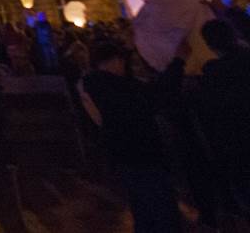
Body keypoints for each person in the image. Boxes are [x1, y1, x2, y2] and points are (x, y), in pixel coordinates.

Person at [82, 40, 186, 233]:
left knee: (142, 206)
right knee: (160, 206)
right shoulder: (114, 87)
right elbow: (154, 97)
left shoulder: (92, 85)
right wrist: (177, 62)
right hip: (142, 151)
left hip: (122, 153)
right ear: (114, 61)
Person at [195, 19, 250, 221]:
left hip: (235, 141)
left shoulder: (213, 72)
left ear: (209, 44)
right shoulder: (245, 58)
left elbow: (211, 108)